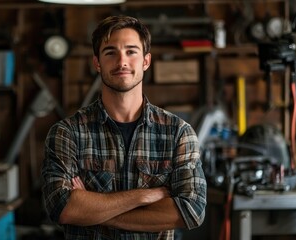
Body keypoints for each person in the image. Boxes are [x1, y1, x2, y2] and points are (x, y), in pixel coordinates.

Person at [41, 15, 207, 240]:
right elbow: (61, 207)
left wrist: (93, 210)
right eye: (110, 52)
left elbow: (191, 211)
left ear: (146, 61)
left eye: (131, 51)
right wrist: (143, 196)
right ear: (97, 63)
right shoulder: (68, 133)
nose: (122, 62)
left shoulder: (178, 133)